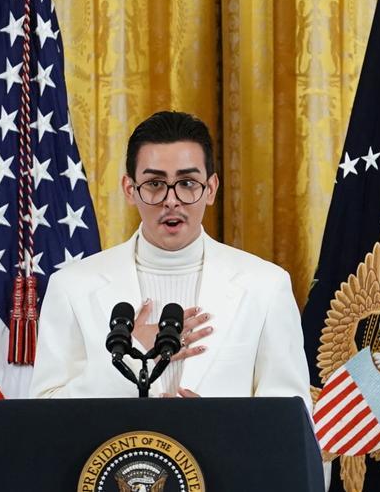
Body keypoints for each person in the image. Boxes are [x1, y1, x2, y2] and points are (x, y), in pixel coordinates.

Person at [30, 110, 311, 406]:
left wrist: (221, 431)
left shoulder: (266, 286)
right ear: (130, 189)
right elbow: (44, 413)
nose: (172, 200)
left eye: (187, 183)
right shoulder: (72, 287)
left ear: (211, 189)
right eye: (155, 184)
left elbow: (290, 415)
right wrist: (135, 350)